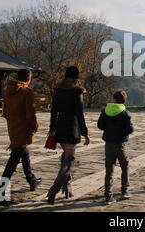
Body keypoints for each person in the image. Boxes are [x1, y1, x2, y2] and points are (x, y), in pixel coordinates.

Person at [0, 69, 41, 206]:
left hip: (13, 128)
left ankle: (32, 180)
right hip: (24, 129)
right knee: (12, 164)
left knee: (23, 153)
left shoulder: (8, 90)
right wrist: (35, 127)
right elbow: (30, 114)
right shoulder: (27, 92)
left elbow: (5, 112)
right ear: (29, 79)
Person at [46, 66, 90, 205]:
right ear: (76, 78)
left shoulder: (57, 91)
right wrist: (85, 134)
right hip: (72, 128)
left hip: (60, 128)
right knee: (69, 162)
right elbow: (80, 114)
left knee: (65, 160)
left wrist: (52, 129)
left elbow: (53, 112)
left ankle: (67, 188)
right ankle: (53, 191)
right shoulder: (77, 92)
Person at [98, 90, 134, 204]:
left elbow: (100, 125)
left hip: (108, 143)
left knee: (109, 169)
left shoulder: (105, 111)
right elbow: (130, 129)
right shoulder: (125, 113)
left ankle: (108, 195)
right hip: (119, 143)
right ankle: (125, 190)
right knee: (125, 165)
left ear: (114, 99)